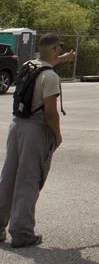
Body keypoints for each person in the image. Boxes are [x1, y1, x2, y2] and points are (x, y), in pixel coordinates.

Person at [0, 33, 75, 248]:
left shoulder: (28, 65)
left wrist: (64, 59)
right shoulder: (50, 77)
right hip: (36, 129)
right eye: (59, 49)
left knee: (9, 175)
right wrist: (57, 135)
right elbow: (51, 113)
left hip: (17, 126)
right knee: (29, 179)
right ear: (54, 49)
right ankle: (22, 232)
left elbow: (46, 63)